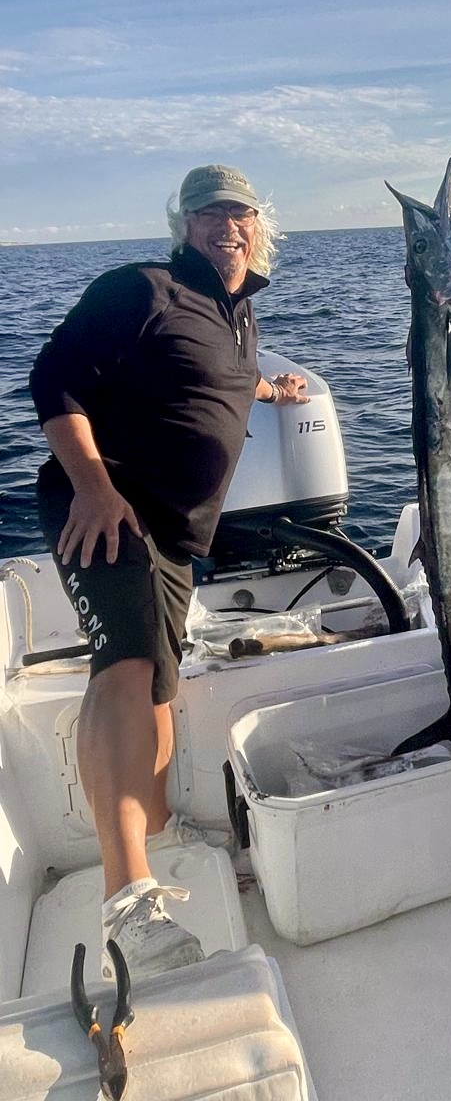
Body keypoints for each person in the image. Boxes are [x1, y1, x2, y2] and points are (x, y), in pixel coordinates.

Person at [29, 163, 307, 980]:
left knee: (160, 685)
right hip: (107, 503)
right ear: (183, 226)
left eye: (239, 213)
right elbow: (54, 377)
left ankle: (146, 838)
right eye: (207, 214)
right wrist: (94, 487)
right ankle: (128, 899)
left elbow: (210, 378)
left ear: (260, 225)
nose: (226, 225)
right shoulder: (140, 287)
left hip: (180, 537)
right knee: (125, 666)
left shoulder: (236, 311)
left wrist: (270, 387)